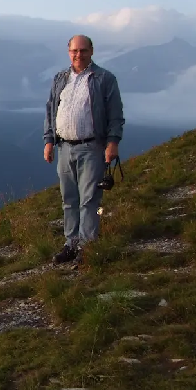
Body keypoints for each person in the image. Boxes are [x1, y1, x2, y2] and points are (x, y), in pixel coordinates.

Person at [43, 35, 124, 262]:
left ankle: (87, 248)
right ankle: (71, 244)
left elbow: (116, 115)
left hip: (91, 147)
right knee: (69, 199)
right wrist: (49, 141)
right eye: (74, 51)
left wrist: (112, 143)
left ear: (92, 51)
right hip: (64, 147)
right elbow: (50, 111)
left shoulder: (104, 79)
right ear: (68, 51)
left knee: (89, 200)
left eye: (83, 50)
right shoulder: (60, 78)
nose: (78, 55)